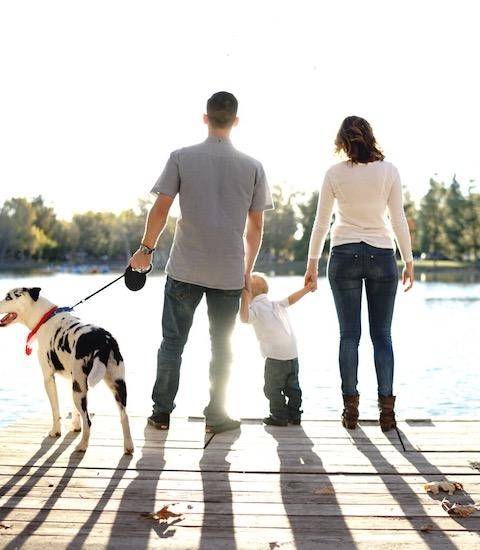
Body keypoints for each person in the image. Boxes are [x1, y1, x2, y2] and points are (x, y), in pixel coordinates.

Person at [129, 91, 273, 434]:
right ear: (235, 121)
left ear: (205, 118)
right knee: (221, 346)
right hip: (227, 272)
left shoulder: (181, 157)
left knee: (172, 344)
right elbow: (255, 228)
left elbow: (160, 209)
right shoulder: (253, 167)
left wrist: (145, 250)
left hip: (185, 269)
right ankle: (217, 416)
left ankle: (161, 414)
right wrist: (246, 270)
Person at [304, 115, 414, 432]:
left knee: (349, 336)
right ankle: (387, 415)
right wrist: (408, 259)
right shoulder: (389, 171)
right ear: (370, 138)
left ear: (343, 141)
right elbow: (398, 219)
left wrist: (311, 263)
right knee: (382, 336)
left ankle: (350, 413)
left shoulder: (334, 174)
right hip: (382, 255)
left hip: (343, 256)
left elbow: (321, 223)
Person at [239, 273, 314, 426]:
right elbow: (292, 299)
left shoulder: (254, 308)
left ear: (249, 292)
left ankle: (279, 416)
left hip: (275, 358)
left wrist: (244, 300)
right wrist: (306, 289)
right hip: (292, 355)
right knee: (293, 387)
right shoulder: (276, 304)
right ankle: (294, 415)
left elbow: (244, 319)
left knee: (272, 388)